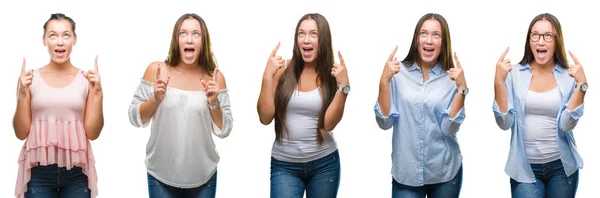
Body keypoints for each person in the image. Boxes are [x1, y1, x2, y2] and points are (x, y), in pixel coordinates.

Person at [127, 13, 233, 198]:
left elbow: (224, 130)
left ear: (204, 41)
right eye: (183, 33)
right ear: (176, 39)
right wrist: (155, 98)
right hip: (160, 173)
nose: (189, 39)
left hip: (203, 176)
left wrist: (214, 102)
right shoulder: (157, 70)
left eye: (196, 34)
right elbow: (135, 117)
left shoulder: (215, 78)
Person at [493, 13, 586, 198]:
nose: (540, 42)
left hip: (562, 168)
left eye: (547, 36)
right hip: (524, 168)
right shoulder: (514, 74)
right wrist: (498, 82)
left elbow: (566, 125)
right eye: (535, 35)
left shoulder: (569, 76)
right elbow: (504, 123)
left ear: (556, 40)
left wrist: (581, 87)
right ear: (529, 40)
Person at [374, 13, 467, 198]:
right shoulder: (397, 73)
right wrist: (384, 81)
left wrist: (461, 89)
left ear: (444, 41)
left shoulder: (452, 78)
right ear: (416, 38)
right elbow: (384, 123)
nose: (429, 40)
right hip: (406, 174)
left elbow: (449, 129)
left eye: (436, 35)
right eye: (423, 33)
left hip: (445, 171)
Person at [257, 13, 350, 198]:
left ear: (323, 39)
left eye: (313, 34)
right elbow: (265, 118)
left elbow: (328, 125)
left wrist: (343, 87)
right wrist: (267, 76)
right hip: (284, 165)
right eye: (301, 34)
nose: (306, 40)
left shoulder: (332, 74)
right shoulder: (281, 70)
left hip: (324, 164)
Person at [13, 13, 103, 198]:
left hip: (77, 173)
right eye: (53, 35)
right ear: (44, 40)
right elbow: (20, 132)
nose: (59, 42)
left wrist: (98, 93)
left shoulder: (86, 80)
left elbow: (93, 133)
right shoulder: (29, 79)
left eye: (66, 35)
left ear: (74, 39)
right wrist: (22, 93)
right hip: (39, 172)